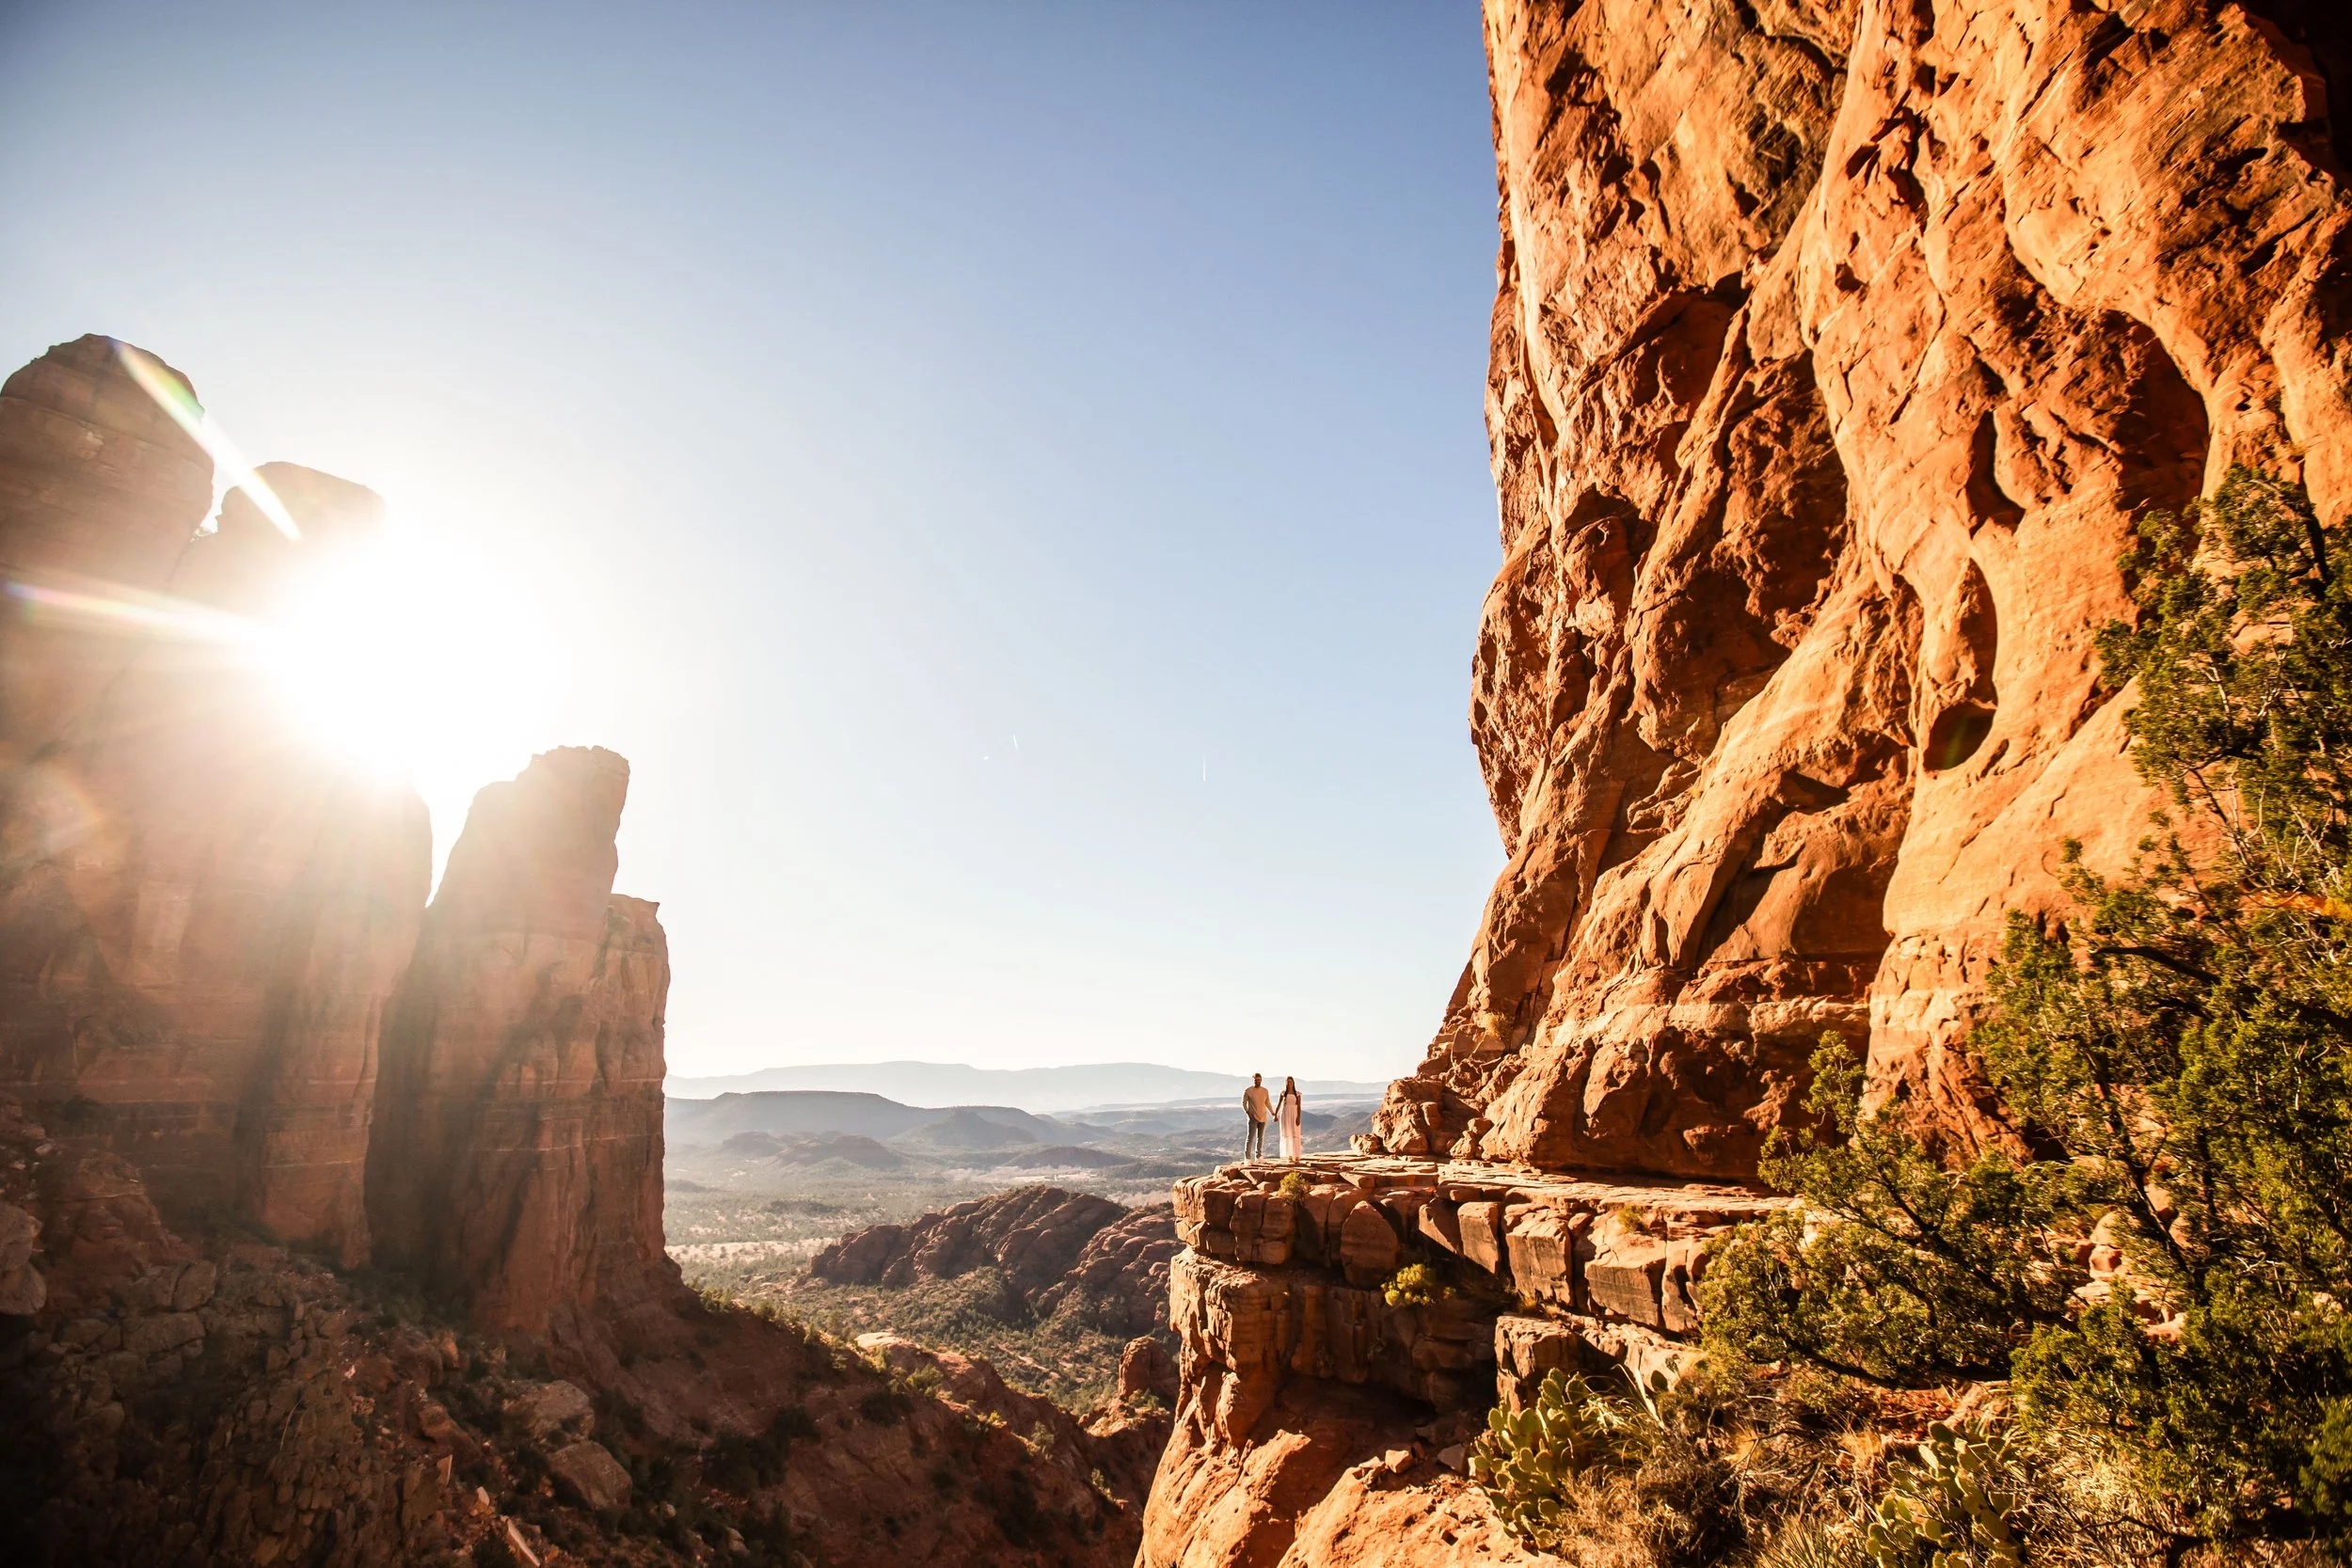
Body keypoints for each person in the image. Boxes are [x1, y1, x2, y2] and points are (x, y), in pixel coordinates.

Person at [1242, 1073, 1272, 1160]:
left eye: (1259, 1080)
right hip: (1253, 1118)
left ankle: (1258, 1157)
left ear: (1261, 1080)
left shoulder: (1265, 1091)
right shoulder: (1248, 1090)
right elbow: (1243, 1103)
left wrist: (1273, 1113)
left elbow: (1267, 1103)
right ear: (1253, 1080)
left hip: (1263, 1117)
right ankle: (1247, 1158)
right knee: (1250, 1138)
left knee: (1260, 1138)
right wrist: (1248, 1112)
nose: (1257, 1081)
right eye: (1255, 1080)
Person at [1276, 1076, 1303, 1163]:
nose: (1289, 1083)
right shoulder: (1283, 1093)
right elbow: (1279, 1104)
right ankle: (1289, 1156)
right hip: (1285, 1114)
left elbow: (1299, 1106)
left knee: (1295, 1133)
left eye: (1291, 1081)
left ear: (1293, 1083)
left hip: (1294, 1114)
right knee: (1287, 1134)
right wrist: (1275, 1115)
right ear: (1286, 1083)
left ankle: (1297, 1156)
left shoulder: (1297, 1094)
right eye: (1288, 1082)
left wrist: (1298, 1117)